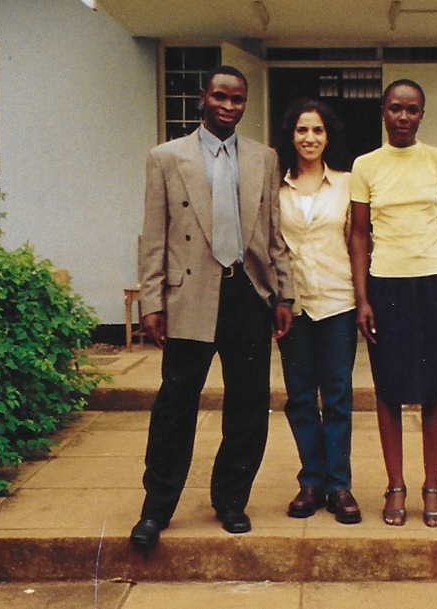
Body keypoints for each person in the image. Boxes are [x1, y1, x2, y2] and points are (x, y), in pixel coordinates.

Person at [130, 65, 293, 548]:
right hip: (190, 295)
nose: (228, 106)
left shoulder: (263, 158)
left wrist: (284, 294)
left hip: (247, 292)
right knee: (175, 406)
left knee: (248, 406)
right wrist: (151, 302)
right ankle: (156, 509)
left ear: (244, 103)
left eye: (238, 99)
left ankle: (230, 500)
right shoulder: (166, 158)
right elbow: (154, 236)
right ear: (204, 97)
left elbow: (272, 233)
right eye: (220, 96)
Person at [348, 78, 437, 528]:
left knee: (435, 388)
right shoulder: (366, 165)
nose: (403, 116)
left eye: (412, 109)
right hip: (386, 286)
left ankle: (431, 487)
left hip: (434, 284)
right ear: (383, 112)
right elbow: (359, 234)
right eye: (395, 108)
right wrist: (363, 298)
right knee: (389, 390)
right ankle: (395, 485)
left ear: (422, 114)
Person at [275, 98, 361, 524]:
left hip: (338, 302)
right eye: (302, 130)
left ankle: (339, 485)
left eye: (318, 131)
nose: (309, 138)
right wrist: (278, 300)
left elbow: (359, 242)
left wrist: (366, 300)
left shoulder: (347, 184)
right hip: (293, 307)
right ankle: (311, 482)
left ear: (328, 137)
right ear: (291, 136)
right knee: (301, 397)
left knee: (339, 395)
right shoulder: (276, 188)